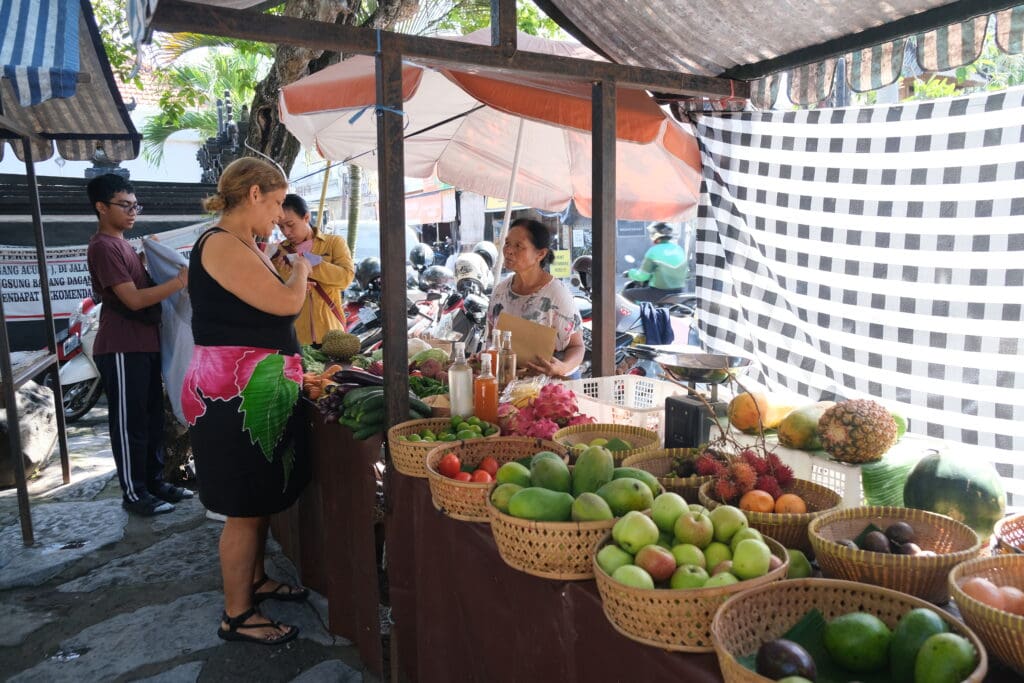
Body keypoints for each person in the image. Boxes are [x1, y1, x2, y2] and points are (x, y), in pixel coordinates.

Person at [181, 158, 313, 646]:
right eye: (278, 202)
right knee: (242, 504)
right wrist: (300, 267)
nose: (281, 215)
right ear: (254, 193)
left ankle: (254, 581)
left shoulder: (242, 244)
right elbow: (286, 304)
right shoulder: (220, 243)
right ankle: (236, 614)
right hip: (230, 394)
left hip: (252, 387)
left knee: (256, 497)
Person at [85, 173, 192, 517]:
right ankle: (134, 493)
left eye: (135, 206)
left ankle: (154, 482)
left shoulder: (123, 244)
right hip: (121, 346)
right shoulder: (103, 247)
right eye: (125, 205)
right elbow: (132, 300)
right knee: (130, 423)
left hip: (144, 344)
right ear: (101, 207)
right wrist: (178, 281)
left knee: (150, 420)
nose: (133, 212)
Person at [487, 218, 584, 378]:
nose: (508, 250)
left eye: (518, 246)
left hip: (551, 388)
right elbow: (492, 337)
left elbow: (577, 347)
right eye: (507, 243)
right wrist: (488, 355)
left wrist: (562, 367)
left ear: (540, 254)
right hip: (510, 385)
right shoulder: (500, 291)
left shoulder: (556, 294)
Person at [269, 194, 354, 345]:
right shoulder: (279, 253)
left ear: (306, 217)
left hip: (331, 333)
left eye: (290, 224)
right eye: (281, 226)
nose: (286, 232)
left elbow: (346, 279)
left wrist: (311, 263)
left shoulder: (334, 243)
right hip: (297, 337)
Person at [624, 221, 689, 303]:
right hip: (680, 291)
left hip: (659, 293)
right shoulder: (679, 249)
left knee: (627, 294)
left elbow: (643, 276)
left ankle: (643, 314)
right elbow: (687, 274)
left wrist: (630, 273)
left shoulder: (653, 251)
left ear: (655, 235)